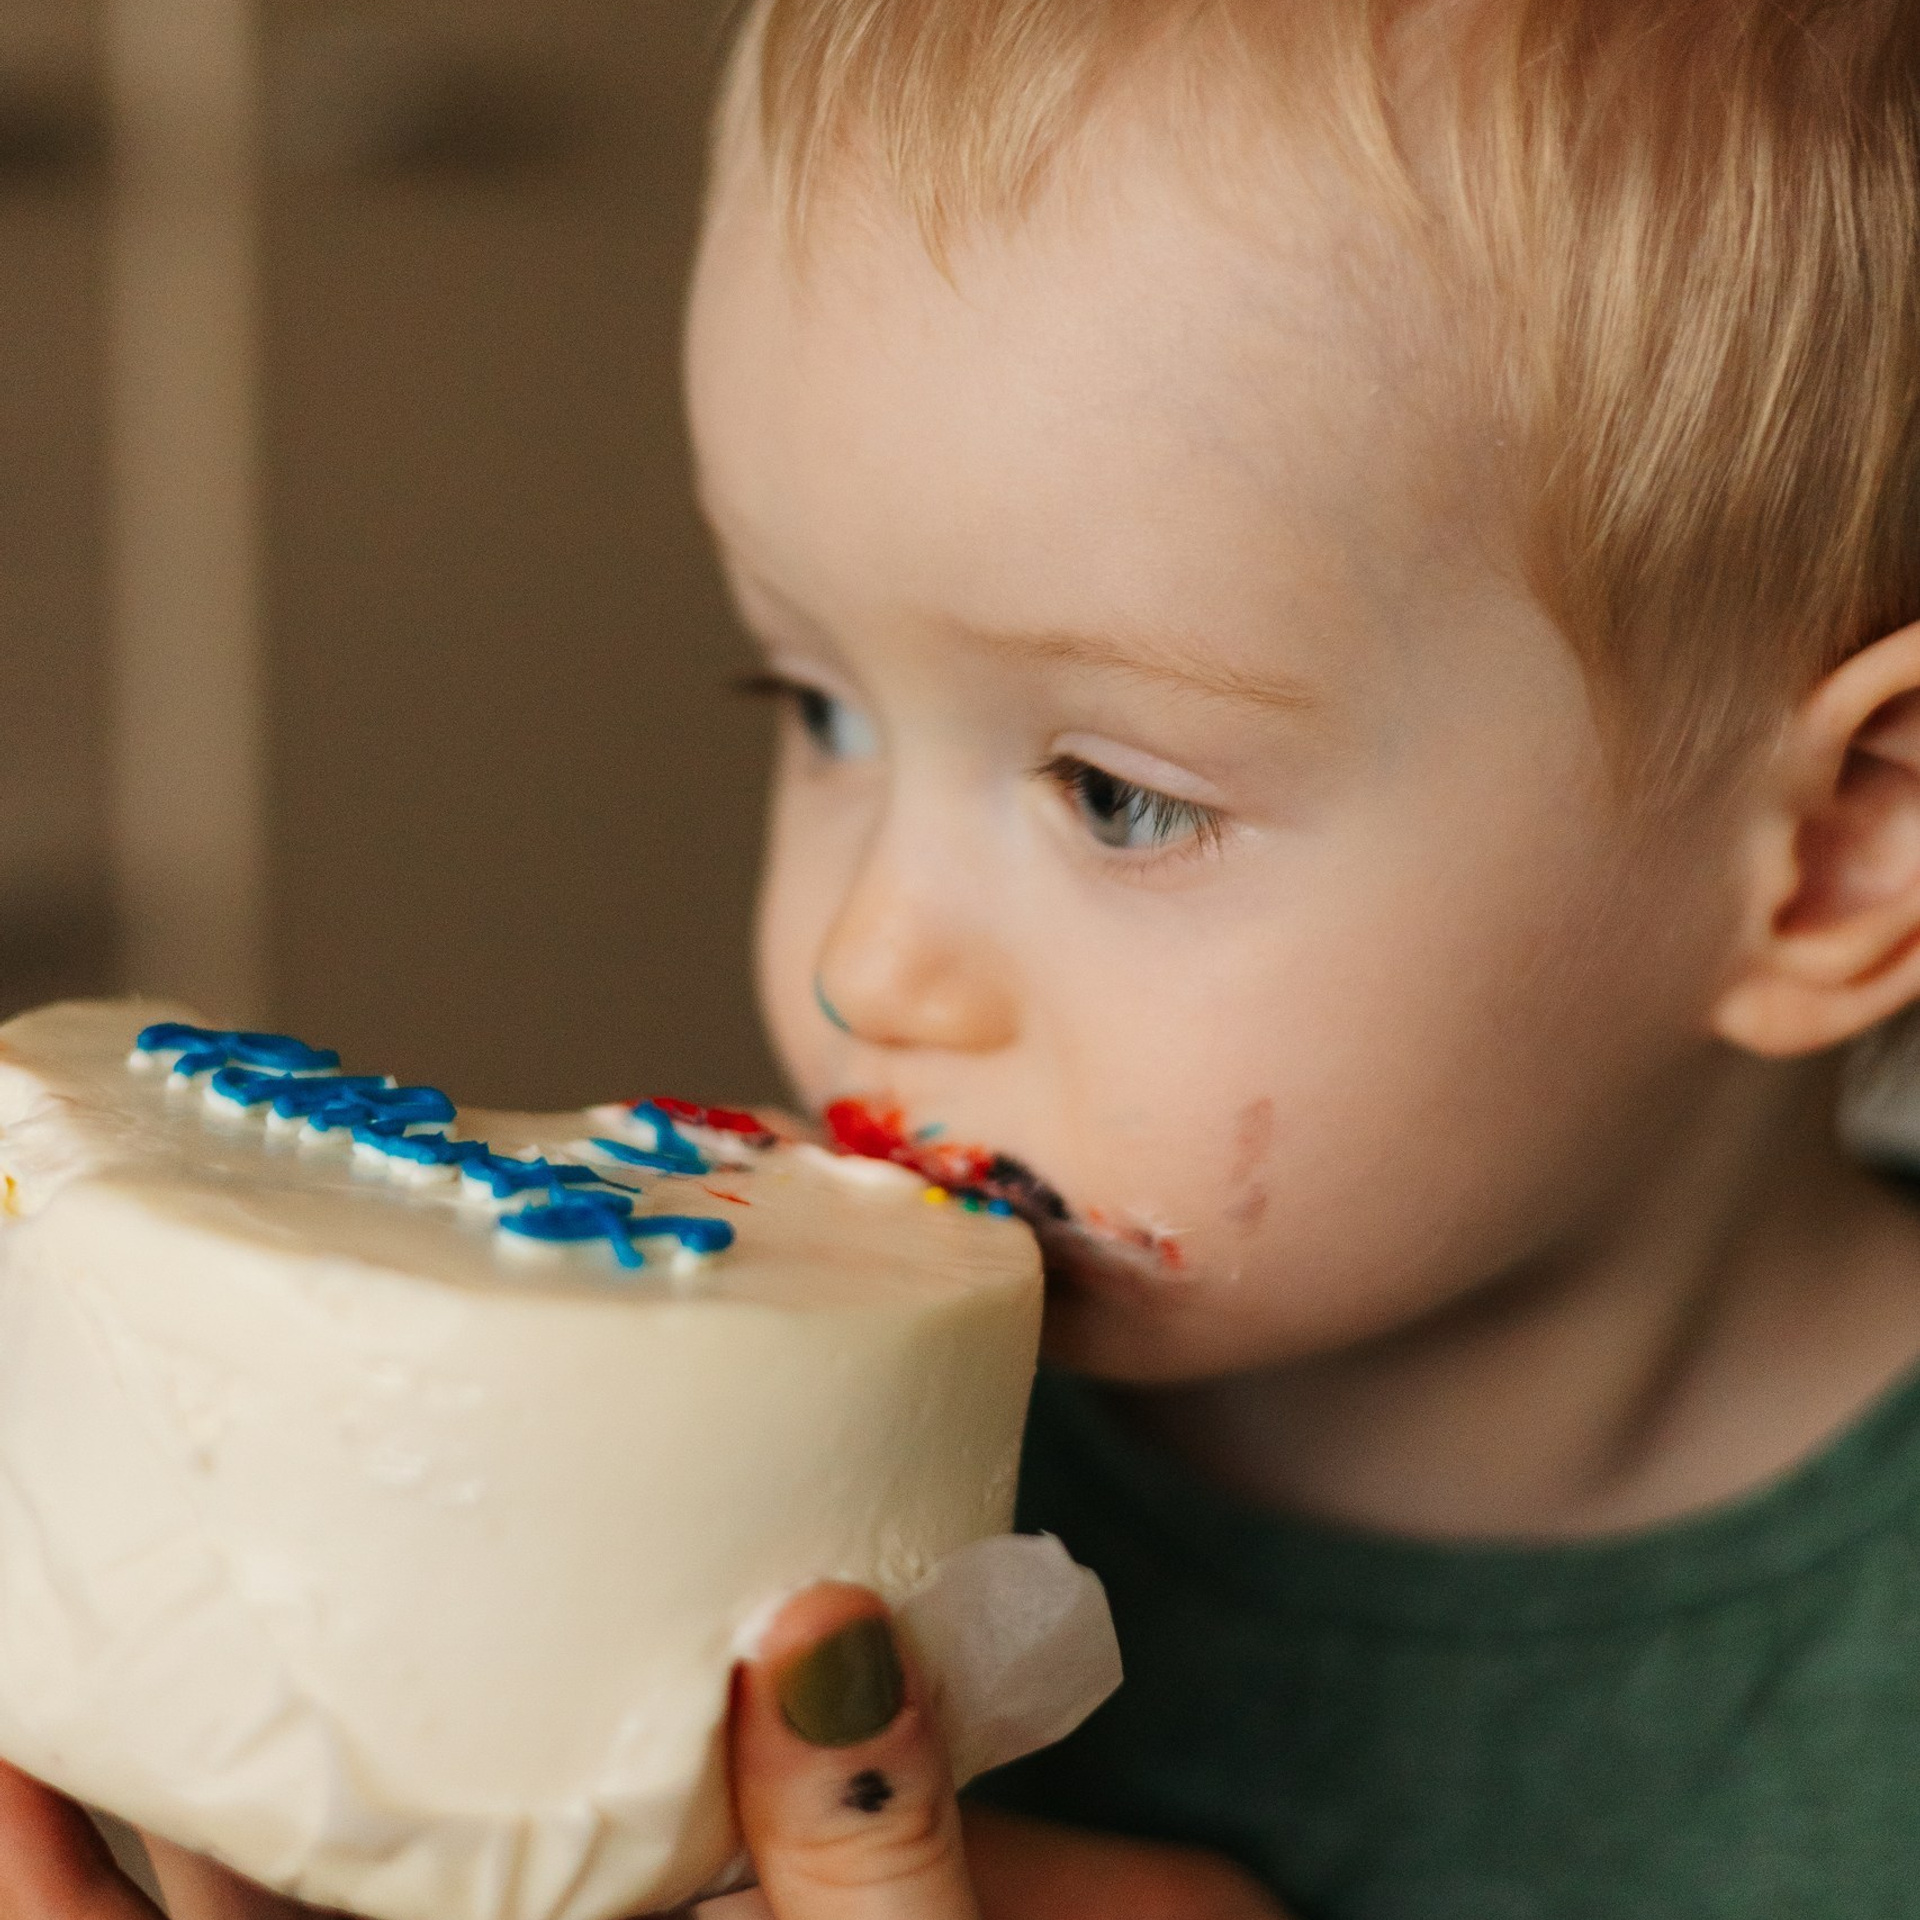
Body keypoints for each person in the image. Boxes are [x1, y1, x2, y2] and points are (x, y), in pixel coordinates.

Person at [10, 0, 1920, 1912]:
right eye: (821, 708)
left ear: (1840, 859)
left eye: (1120, 797)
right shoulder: (716, 1478)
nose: (867, 963)